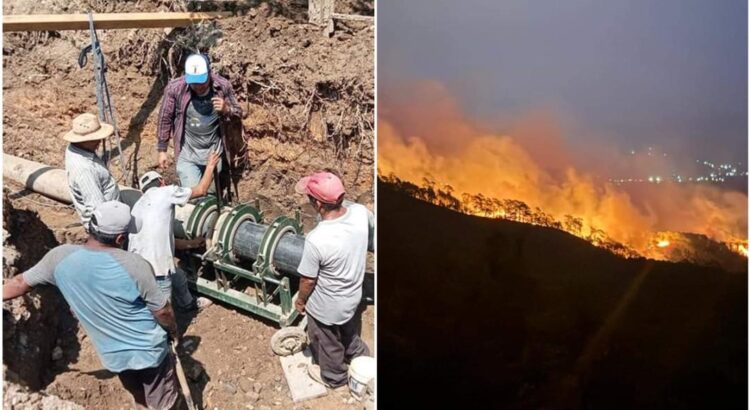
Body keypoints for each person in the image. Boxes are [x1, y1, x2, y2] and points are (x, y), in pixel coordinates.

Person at [2, 201, 182, 409]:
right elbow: (162, 311)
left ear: (90, 227)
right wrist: (172, 330)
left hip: (114, 356)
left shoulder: (59, 257)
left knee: (138, 395)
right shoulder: (135, 265)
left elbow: (19, 283)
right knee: (163, 403)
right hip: (149, 353)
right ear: (121, 238)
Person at [294, 172, 372, 388]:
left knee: (326, 341)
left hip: (326, 308)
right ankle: (360, 356)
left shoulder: (317, 239)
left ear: (318, 204)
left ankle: (335, 377)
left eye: (309, 198)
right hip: (352, 296)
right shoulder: (360, 213)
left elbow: (308, 280)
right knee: (348, 329)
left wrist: (301, 301)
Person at [128, 152, 221, 311]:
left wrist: (192, 243)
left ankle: (188, 303)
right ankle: (170, 335)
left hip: (135, 265)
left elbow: (166, 240)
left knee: (178, 276)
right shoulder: (166, 192)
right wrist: (211, 165)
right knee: (163, 309)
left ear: (143, 191)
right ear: (162, 182)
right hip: (157, 267)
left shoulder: (138, 206)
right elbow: (201, 190)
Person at [156, 53, 242, 194]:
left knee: (211, 197)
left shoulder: (222, 86)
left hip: (213, 155)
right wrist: (162, 150)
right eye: (194, 82)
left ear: (209, 73)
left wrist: (227, 109)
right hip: (188, 154)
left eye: (201, 81)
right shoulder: (176, 88)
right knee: (194, 196)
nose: (198, 86)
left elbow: (239, 113)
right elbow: (165, 117)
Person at [63, 113, 120, 231]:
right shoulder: (84, 169)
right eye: (95, 139)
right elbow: (98, 209)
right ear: (84, 141)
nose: (100, 141)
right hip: (107, 227)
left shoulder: (78, 149)